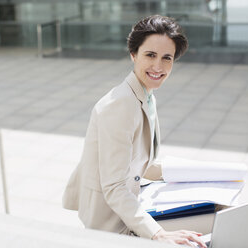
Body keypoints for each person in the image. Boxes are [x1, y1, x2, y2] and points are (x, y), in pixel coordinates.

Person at [62, 15, 206, 248]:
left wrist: (201, 173)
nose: (158, 67)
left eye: (166, 58)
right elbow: (114, 187)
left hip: (130, 204)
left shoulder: (146, 94)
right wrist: (158, 233)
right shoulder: (120, 105)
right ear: (133, 54)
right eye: (150, 55)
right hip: (110, 223)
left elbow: (143, 163)